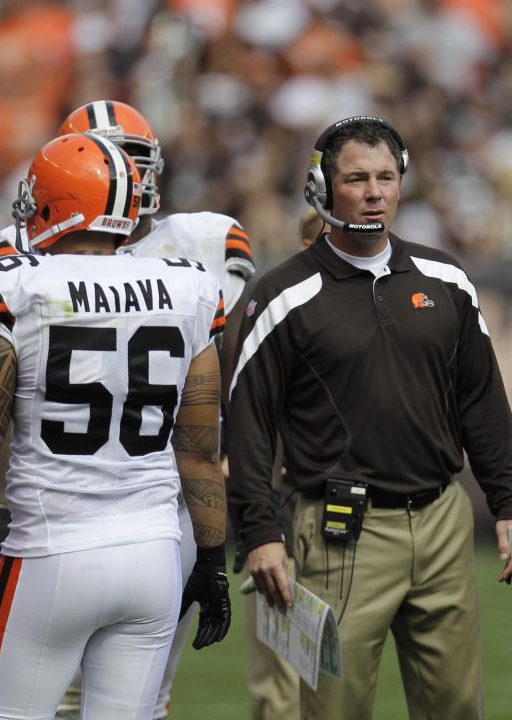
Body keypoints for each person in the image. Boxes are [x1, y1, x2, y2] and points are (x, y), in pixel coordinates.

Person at [227, 115, 512, 718]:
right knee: (333, 709)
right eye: (358, 178)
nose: (374, 192)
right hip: (341, 529)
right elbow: (250, 425)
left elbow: (482, 400)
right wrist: (260, 532)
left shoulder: (445, 277)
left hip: (443, 519)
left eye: (386, 177)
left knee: (455, 707)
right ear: (323, 187)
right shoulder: (284, 293)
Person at [0, 132, 231, 718]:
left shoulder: (18, 284)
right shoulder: (189, 287)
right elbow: (199, 449)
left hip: (51, 550)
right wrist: (212, 560)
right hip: (153, 555)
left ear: (52, 202)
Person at [237, 208, 321, 719]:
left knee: (334, 678)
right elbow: (244, 430)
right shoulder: (267, 315)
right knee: (277, 680)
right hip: (280, 512)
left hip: (342, 520)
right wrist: (257, 522)